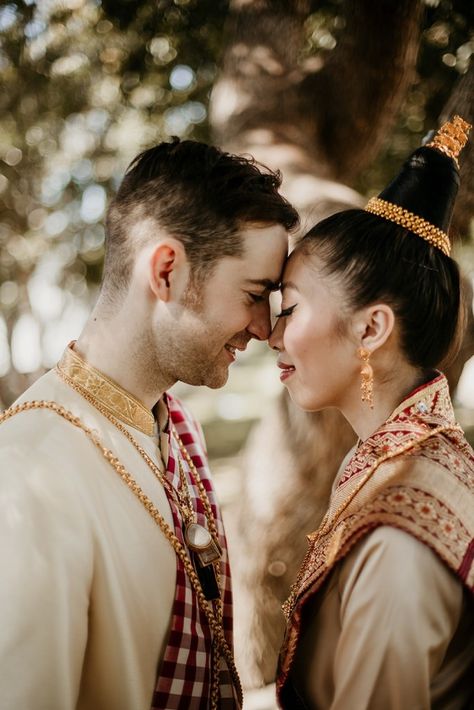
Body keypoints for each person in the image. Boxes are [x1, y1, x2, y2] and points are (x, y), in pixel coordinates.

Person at [0, 138, 299, 710]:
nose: (264, 328)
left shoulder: (176, 427)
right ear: (167, 271)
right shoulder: (25, 475)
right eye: (255, 294)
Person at [270, 116, 474, 709]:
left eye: (290, 308)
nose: (271, 334)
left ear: (371, 327)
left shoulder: (398, 532)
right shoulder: (401, 460)